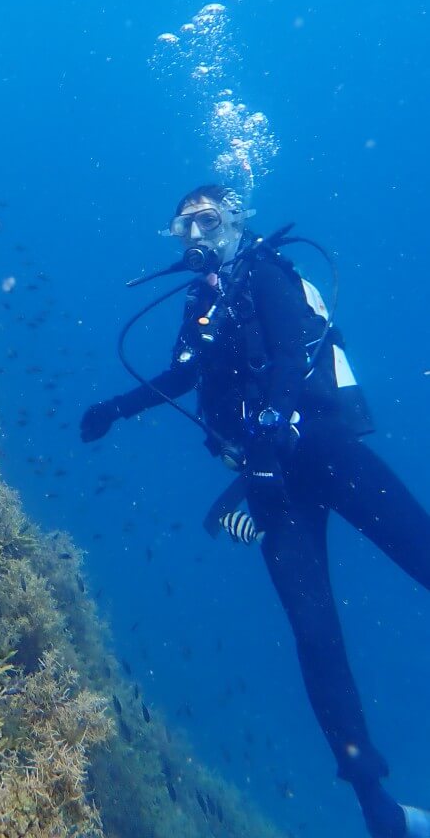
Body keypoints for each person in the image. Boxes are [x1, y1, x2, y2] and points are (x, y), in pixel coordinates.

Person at [80, 184, 430, 838]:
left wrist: (270, 434)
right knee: (313, 630)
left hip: (322, 448)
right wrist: (114, 410)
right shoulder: (201, 301)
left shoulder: (266, 274)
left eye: (205, 221)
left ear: (236, 222)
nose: (191, 236)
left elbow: (294, 360)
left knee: (422, 551)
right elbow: (182, 376)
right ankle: (376, 804)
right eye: (180, 226)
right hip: (270, 483)